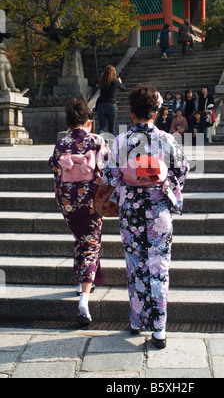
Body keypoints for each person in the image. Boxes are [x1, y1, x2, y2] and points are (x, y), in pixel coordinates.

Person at [102, 84, 190, 349]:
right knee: (159, 267)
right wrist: (161, 179)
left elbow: (109, 176)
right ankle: (160, 328)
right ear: (155, 112)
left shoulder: (120, 141)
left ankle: (138, 319)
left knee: (135, 265)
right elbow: (182, 171)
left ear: (131, 114)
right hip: (158, 209)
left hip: (131, 211)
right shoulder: (166, 139)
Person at [48, 98, 109, 327]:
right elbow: (106, 167)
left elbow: (55, 168)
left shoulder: (61, 143)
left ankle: (82, 280)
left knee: (81, 239)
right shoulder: (96, 141)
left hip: (67, 200)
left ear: (68, 123)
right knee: (90, 245)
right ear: (89, 123)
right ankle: (84, 299)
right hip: (91, 200)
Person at [96, 65, 126, 136]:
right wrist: (120, 82)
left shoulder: (101, 82)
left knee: (102, 127)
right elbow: (124, 89)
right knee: (111, 128)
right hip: (111, 105)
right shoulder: (115, 82)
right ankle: (111, 144)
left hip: (101, 105)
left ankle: (99, 142)